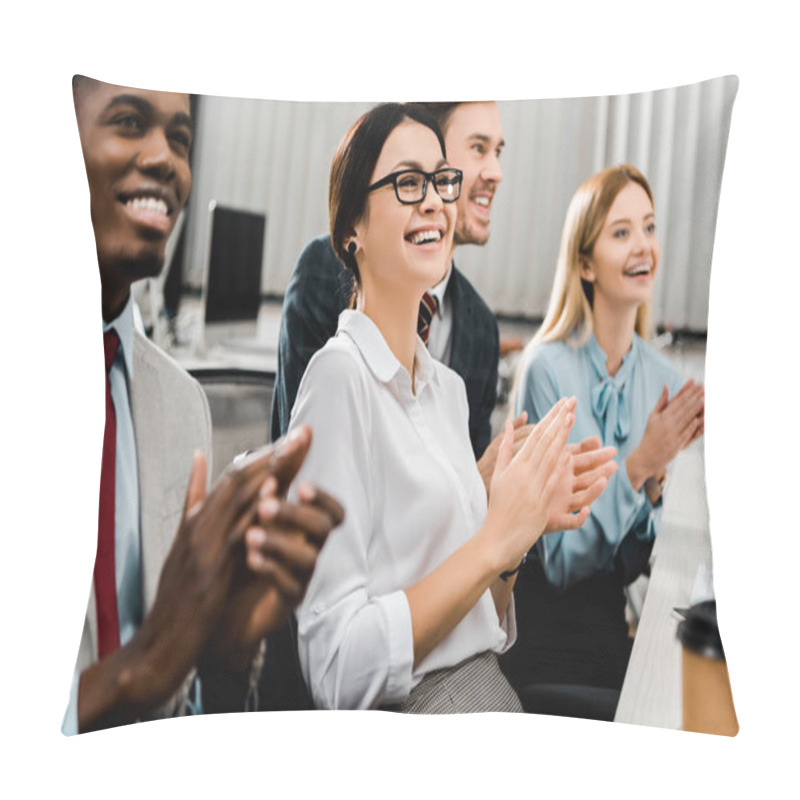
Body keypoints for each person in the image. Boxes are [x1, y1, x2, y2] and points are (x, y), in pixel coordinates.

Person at [288, 103, 611, 712]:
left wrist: (517, 537)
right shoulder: (338, 380)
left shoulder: (447, 392)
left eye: (441, 181)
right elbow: (335, 672)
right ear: (351, 225)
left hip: (488, 692)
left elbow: (479, 621)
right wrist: (493, 539)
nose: (437, 199)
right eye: (408, 183)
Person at [65, 76, 344, 734]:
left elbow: (178, 709)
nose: (167, 158)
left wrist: (221, 649)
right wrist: (143, 665)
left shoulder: (184, 406)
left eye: (182, 139)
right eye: (130, 122)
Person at [500, 164, 705, 705]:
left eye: (650, 227)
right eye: (621, 232)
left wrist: (657, 486)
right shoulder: (545, 367)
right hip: (545, 627)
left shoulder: (665, 381)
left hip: (608, 623)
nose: (643, 247)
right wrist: (639, 466)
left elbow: (632, 563)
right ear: (585, 263)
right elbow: (563, 561)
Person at [270, 101, 506, 462]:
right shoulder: (334, 358)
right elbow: (303, 466)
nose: (496, 172)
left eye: (498, 152)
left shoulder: (477, 342)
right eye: (478, 148)